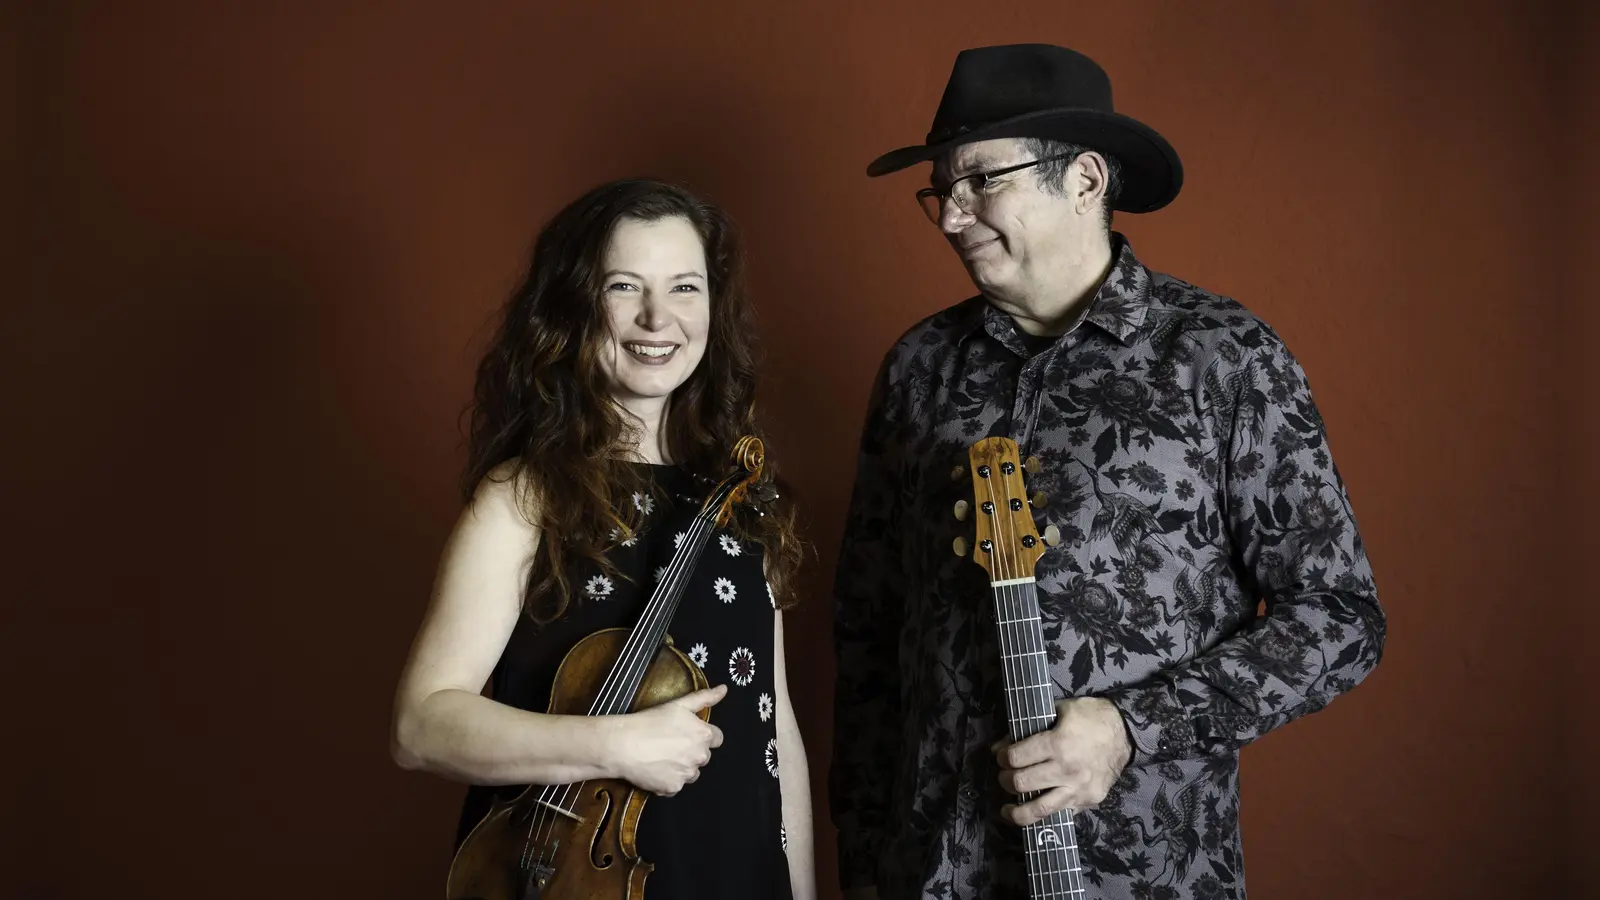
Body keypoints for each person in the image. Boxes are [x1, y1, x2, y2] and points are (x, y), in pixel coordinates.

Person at [830, 44, 1386, 900]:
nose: (951, 216)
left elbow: (1340, 617)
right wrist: (867, 865)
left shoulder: (1222, 358)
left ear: (1085, 180)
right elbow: (868, 638)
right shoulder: (920, 369)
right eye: (942, 190)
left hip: (1146, 869)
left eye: (981, 181)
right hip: (937, 872)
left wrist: (1133, 727)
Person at [391, 178, 815, 900]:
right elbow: (420, 725)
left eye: (684, 288)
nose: (658, 317)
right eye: (624, 286)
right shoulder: (525, 496)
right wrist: (613, 745)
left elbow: (774, 733)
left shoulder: (742, 498)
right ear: (575, 306)